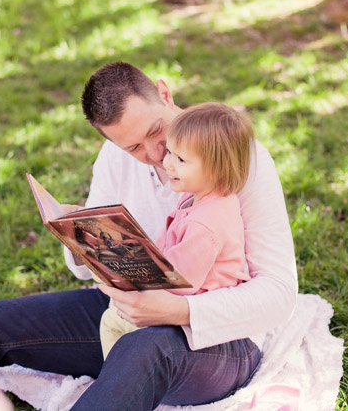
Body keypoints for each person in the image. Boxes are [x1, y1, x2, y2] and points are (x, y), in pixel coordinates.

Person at [0, 62, 298, 410]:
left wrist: (179, 310)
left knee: (143, 349)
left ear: (164, 93)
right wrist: (80, 236)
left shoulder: (237, 157)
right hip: (128, 312)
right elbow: (82, 269)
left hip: (220, 339)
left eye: (156, 131)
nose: (155, 153)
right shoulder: (113, 157)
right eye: (134, 148)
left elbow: (279, 292)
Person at [100, 102, 254, 358]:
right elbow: (165, 250)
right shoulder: (197, 199)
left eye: (181, 159)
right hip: (184, 301)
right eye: (170, 152)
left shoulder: (204, 225)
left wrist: (135, 281)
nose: (167, 163)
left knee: (112, 322)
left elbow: (179, 283)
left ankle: (115, 373)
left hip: (196, 322)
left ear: (216, 168)